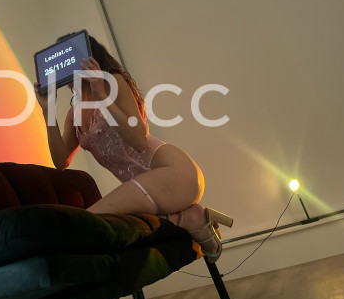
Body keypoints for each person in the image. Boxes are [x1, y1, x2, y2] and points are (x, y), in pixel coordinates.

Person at [34, 32, 233, 262]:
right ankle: (191, 217)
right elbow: (60, 162)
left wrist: (102, 96)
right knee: (109, 224)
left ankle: (190, 218)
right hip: (145, 190)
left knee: (87, 220)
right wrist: (48, 110)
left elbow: (138, 140)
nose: (63, 73)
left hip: (175, 174)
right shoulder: (74, 113)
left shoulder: (114, 83)